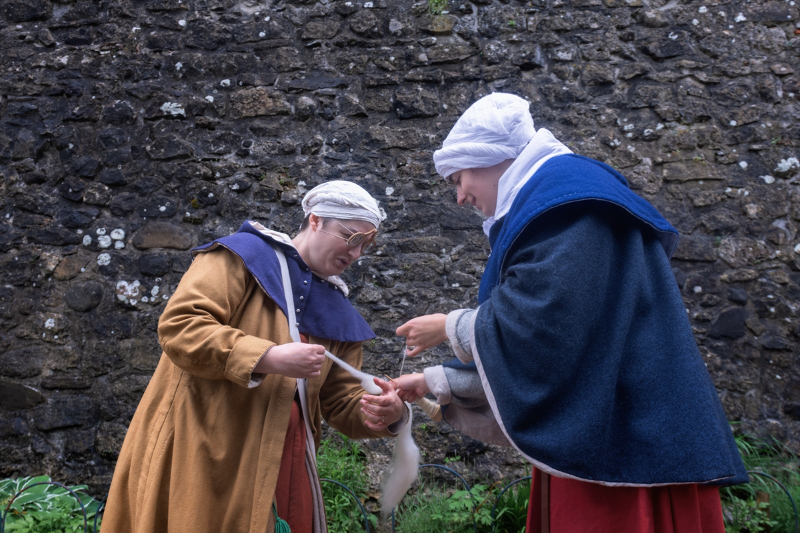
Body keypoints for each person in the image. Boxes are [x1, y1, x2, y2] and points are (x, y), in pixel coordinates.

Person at [391, 93, 748, 533]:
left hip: (625, 445)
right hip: (611, 427)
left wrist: (448, 326)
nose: (460, 196)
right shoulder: (561, 198)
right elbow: (561, 354)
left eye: (458, 178)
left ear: (489, 159)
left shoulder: (567, 202)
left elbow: (542, 324)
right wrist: (433, 382)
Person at [102, 181, 407, 533]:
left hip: (286, 464)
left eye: (365, 245)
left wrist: (387, 413)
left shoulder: (338, 311)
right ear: (316, 220)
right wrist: (269, 357)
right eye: (350, 237)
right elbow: (181, 326)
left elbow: (342, 402)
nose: (355, 254)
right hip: (205, 450)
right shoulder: (243, 257)